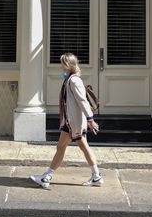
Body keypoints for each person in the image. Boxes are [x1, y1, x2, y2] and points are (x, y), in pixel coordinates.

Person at [30, 53, 102, 189]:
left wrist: (90, 119)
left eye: (62, 64)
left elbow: (82, 101)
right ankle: (96, 175)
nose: (61, 67)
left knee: (61, 147)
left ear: (67, 65)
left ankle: (47, 177)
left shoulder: (74, 80)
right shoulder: (70, 79)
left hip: (72, 122)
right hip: (73, 121)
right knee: (81, 146)